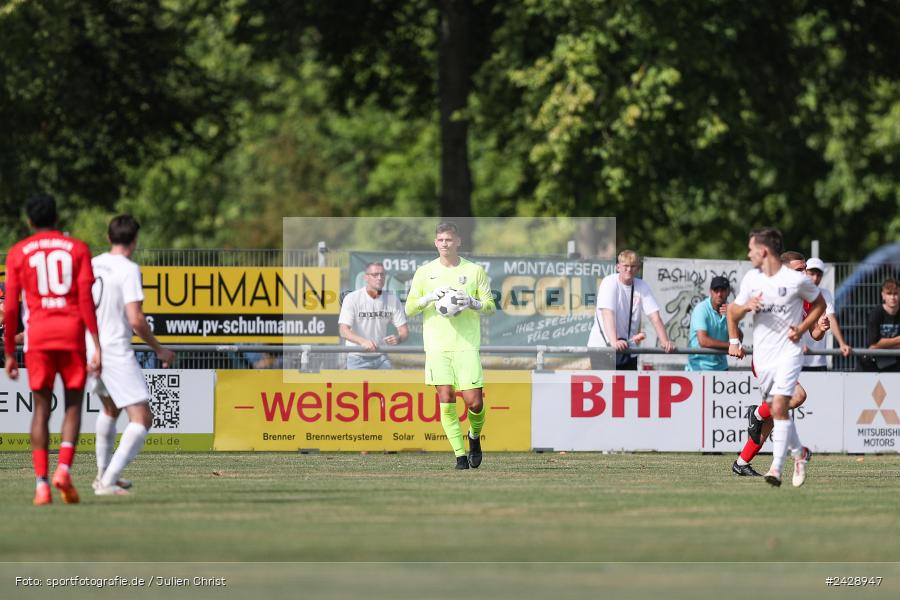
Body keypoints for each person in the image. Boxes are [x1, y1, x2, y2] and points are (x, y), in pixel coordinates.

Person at [3, 194, 101, 505]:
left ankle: (42, 484)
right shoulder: (78, 249)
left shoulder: (19, 252)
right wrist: (96, 344)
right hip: (71, 334)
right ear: (57, 218)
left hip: (38, 337)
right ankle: (63, 469)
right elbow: (86, 300)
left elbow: (9, 309)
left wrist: (8, 351)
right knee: (73, 404)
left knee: (41, 409)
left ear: (29, 221)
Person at [727, 230, 825, 488]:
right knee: (776, 411)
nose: (806, 273)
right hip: (764, 357)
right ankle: (765, 440)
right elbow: (733, 312)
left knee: (786, 404)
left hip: (788, 356)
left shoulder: (799, 288)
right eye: (801, 268)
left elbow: (814, 327)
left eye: (806, 269)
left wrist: (815, 329)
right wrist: (735, 339)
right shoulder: (754, 279)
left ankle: (759, 463)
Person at [88, 215, 176, 496]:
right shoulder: (128, 269)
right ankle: (108, 481)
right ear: (135, 240)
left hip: (91, 347)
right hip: (114, 348)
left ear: (108, 237)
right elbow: (136, 319)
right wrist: (159, 348)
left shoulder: (93, 264)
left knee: (110, 409)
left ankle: (103, 475)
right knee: (142, 418)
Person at [405, 222, 495, 470]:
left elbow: (491, 306)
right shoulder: (425, 272)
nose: (445, 244)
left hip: (466, 346)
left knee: (474, 403)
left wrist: (473, 303)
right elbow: (410, 308)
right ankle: (459, 456)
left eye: (449, 240)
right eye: (441, 240)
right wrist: (430, 297)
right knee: (445, 398)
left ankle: (474, 437)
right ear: (436, 243)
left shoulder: (474, 271)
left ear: (458, 242)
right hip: (436, 346)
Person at [587, 249, 674, 370]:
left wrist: (665, 342)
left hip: (628, 348)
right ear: (618, 267)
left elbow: (654, 316)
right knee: (606, 388)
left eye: (633, 266)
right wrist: (614, 342)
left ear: (638, 269)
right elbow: (608, 314)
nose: (629, 269)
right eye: (625, 266)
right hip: (603, 347)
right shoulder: (609, 282)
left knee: (628, 387)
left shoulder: (642, 285)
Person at [339, 262, 409, 369]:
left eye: (382, 274)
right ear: (366, 277)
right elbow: (343, 331)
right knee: (360, 386)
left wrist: (398, 338)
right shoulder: (352, 298)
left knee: (388, 386)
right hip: (357, 357)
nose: (379, 278)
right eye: (375, 275)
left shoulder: (392, 299)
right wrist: (363, 342)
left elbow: (404, 332)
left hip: (381, 357)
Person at [801, 257, 851, 371]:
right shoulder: (796, 293)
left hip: (818, 359)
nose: (815, 278)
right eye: (811, 274)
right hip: (797, 358)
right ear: (805, 273)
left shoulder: (825, 293)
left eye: (818, 275)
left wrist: (842, 344)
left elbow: (831, 319)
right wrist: (798, 345)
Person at [685, 276, 738, 372]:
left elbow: (739, 339)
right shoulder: (701, 309)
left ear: (728, 292)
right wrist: (731, 346)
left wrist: (731, 319)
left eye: (722, 290)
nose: (719, 294)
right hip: (698, 368)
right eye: (716, 290)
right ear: (710, 291)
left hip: (721, 368)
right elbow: (703, 341)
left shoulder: (729, 310)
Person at [859, 278, 900, 372]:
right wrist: (897, 339)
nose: (893, 297)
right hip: (874, 361)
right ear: (883, 295)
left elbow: (876, 344)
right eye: (889, 294)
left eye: (896, 293)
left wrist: (881, 344)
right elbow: (873, 342)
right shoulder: (876, 313)